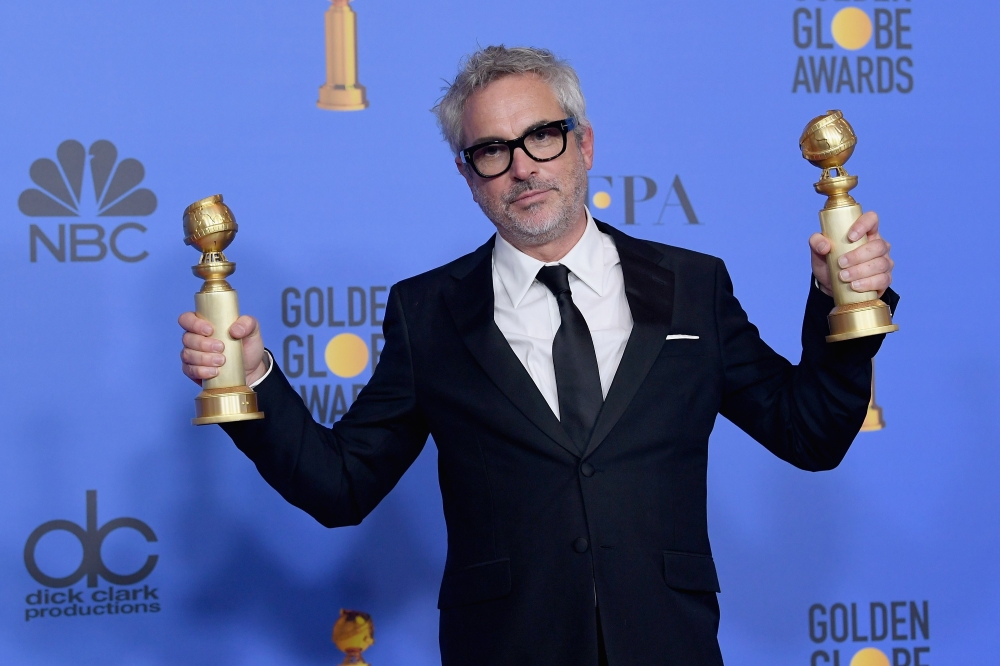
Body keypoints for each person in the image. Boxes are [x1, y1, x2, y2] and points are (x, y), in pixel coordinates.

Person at [178, 46, 896, 666]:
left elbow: (811, 433)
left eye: (543, 137)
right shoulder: (429, 312)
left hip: (666, 645)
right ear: (467, 174)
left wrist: (844, 309)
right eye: (493, 150)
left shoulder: (690, 284)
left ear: (584, 144)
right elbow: (341, 486)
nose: (522, 167)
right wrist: (250, 380)